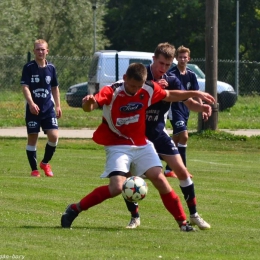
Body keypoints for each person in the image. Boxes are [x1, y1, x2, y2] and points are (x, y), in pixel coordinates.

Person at [61, 63, 214, 231]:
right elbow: (90, 107)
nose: (135, 90)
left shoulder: (148, 88)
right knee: (116, 188)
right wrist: (88, 103)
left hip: (141, 143)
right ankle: (75, 209)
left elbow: (169, 95)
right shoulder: (112, 91)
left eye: (138, 87)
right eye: (132, 86)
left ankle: (183, 223)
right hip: (117, 144)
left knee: (160, 179)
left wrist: (195, 93)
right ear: (125, 78)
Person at [124, 43, 213, 230]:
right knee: (128, 176)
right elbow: (130, 94)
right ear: (153, 59)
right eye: (160, 63)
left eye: (167, 64)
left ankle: (194, 214)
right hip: (135, 133)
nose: (162, 68)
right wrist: (155, 87)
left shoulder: (171, 79)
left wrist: (202, 107)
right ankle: (135, 216)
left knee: (182, 171)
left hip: (157, 131)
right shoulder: (140, 74)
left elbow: (186, 101)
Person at [21, 39, 62, 177]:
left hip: (48, 108)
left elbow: (55, 88)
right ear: (34, 51)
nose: (40, 51)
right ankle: (34, 170)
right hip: (33, 109)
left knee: (54, 136)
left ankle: (45, 163)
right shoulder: (28, 67)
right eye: (37, 49)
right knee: (33, 137)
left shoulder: (51, 68)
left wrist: (58, 105)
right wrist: (31, 103)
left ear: (47, 51)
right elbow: (25, 87)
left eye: (42, 49)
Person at [164, 45, 207, 175]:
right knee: (184, 135)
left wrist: (202, 108)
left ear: (189, 58)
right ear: (176, 58)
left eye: (185, 57)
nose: (183, 59)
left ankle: (167, 168)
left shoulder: (192, 75)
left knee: (176, 140)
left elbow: (196, 93)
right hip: (174, 109)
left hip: (185, 110)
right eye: (180, 57)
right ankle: (183, 169)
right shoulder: (171, 74)